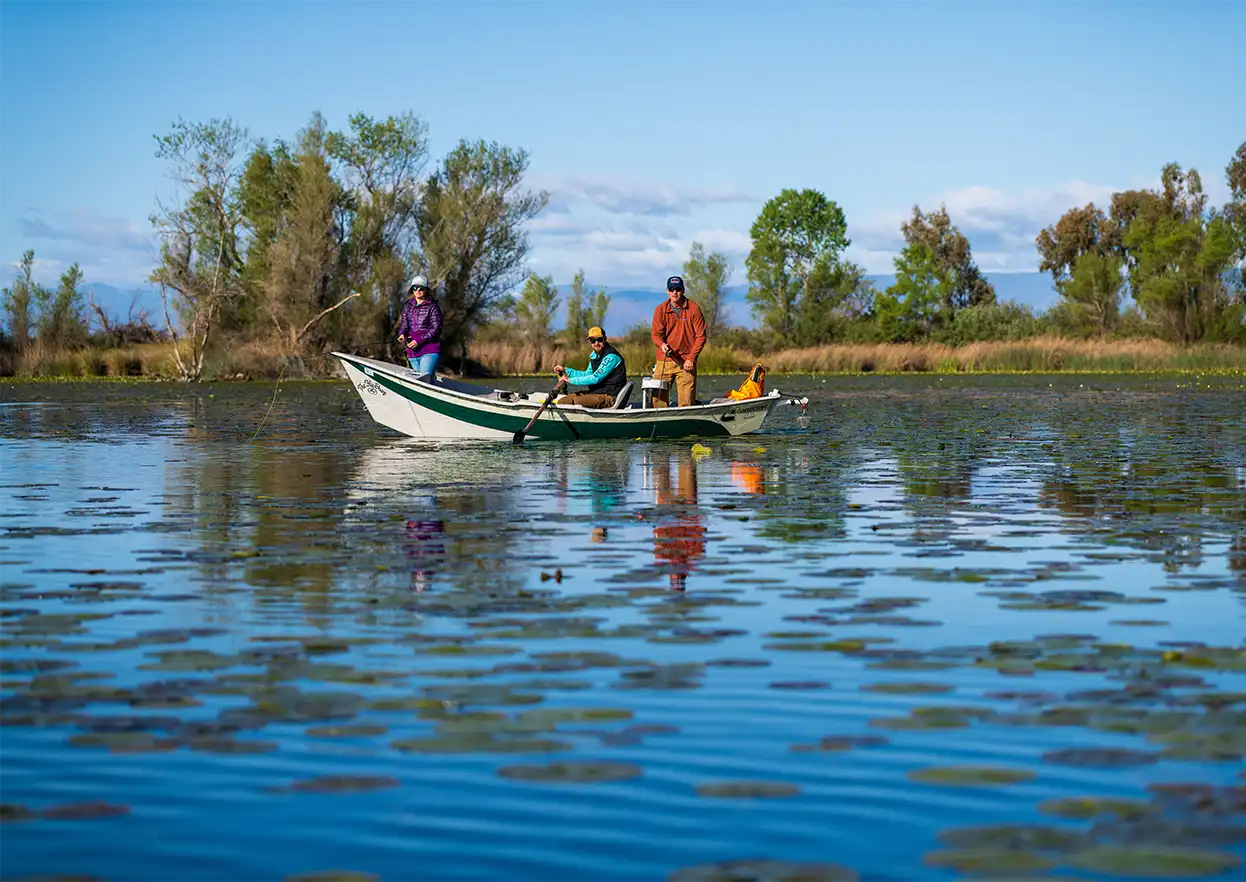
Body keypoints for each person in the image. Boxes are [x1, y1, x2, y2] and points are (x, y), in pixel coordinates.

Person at [649, 275, 707, 407]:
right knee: (657, 402)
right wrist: (662, 345)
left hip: (687, 362)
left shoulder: (694, 309)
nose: (675, 292)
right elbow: (655, 335)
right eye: (672, 289)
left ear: (683, 290)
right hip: (664, 360)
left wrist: (691, 359)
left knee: (686, 403)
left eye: (678, 289)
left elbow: (701, 336)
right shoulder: (660, 310)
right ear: (667, 291)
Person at [552, 325, 628, 408]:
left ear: (605, 339)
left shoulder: (611, 357)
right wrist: (566, 371)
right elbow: (587, 374)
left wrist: (569, 380)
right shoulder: (595, 355)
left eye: (599, 340)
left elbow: (595, 378)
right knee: (563, 401)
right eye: (592, 340)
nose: (596, 343)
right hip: (598, 392)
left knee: (577, 401)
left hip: (611, 396)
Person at [396, 274, 443, 377]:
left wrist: (419, 340)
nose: (417, 290)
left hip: (429, 350)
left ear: (426, 290)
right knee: (424, 381)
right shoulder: (407, 306)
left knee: (424, 379)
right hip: (412, 352)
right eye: (414, 287)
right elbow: (404, 324)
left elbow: (437, 328)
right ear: (411, 289)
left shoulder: (433, 307)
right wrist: (402, 334)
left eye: (420, 288)